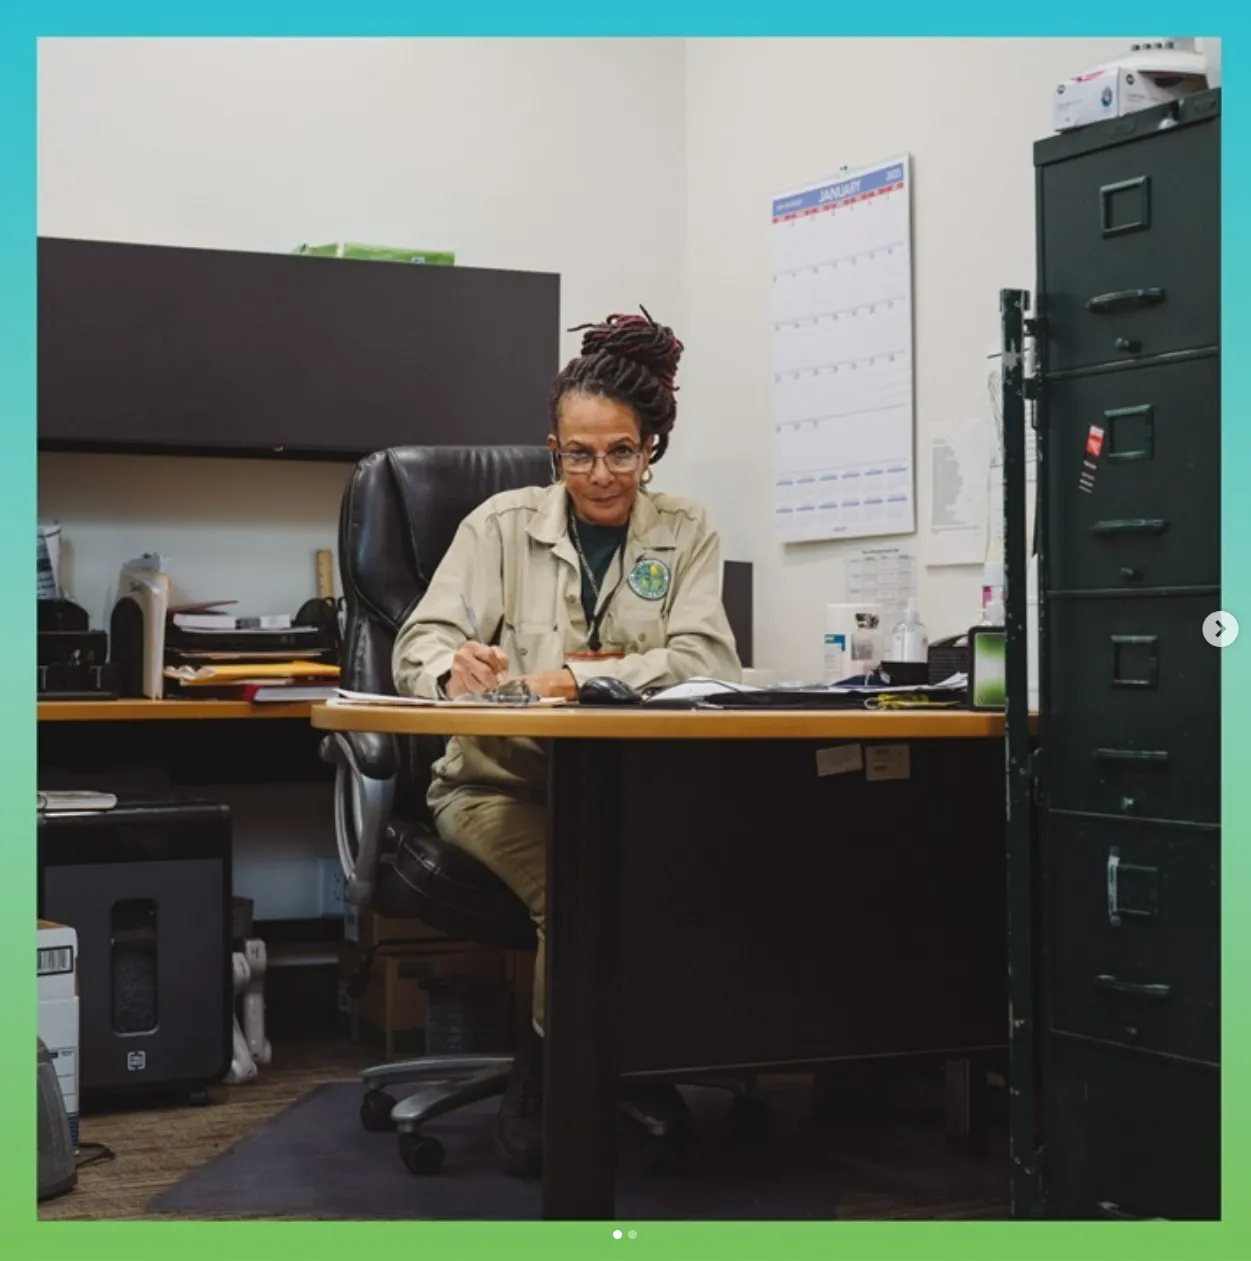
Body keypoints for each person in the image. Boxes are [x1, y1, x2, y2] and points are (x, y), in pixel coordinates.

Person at [391, 308, 742, 1176]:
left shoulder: (685, 529)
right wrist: (452, 670)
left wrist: (577, 677)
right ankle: (552, 1082)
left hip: (633, 791)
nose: (599, 473)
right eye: (577, 453)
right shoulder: (498, 526)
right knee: (578, 889)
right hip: (494, 787)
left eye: (620, 451)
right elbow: (417, 644)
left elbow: (707, 659)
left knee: (715, 868)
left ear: (651, 444)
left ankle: (629, 1057)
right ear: (553, 447)